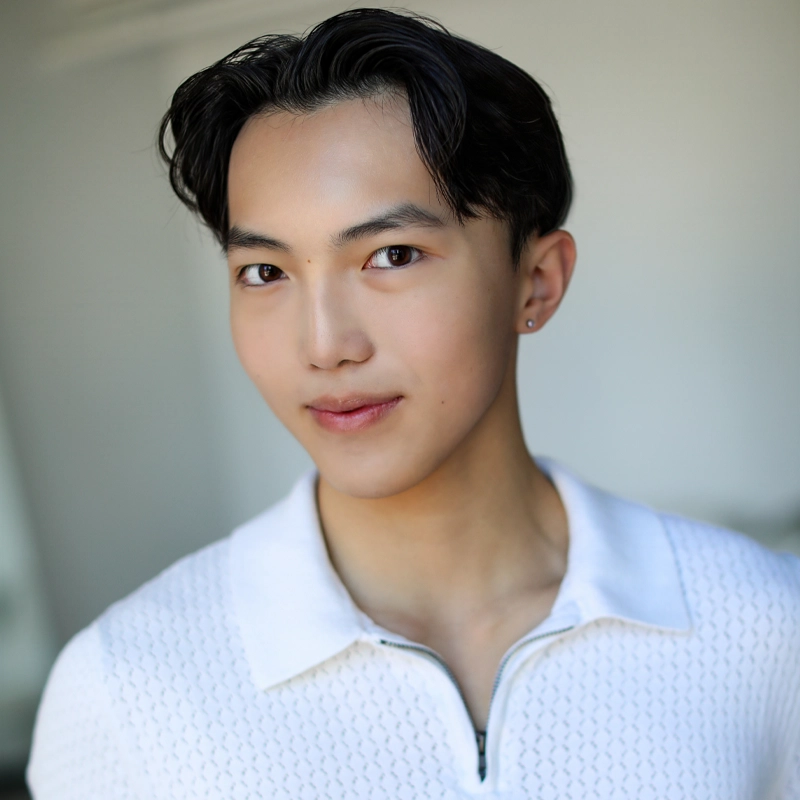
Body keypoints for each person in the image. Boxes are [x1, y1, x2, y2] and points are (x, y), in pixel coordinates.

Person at [26, 8, 800, 798]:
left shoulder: (765, 631)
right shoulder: (125, 690)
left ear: (536, 281)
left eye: (391, 256)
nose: (323, 345)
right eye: (266, 272)